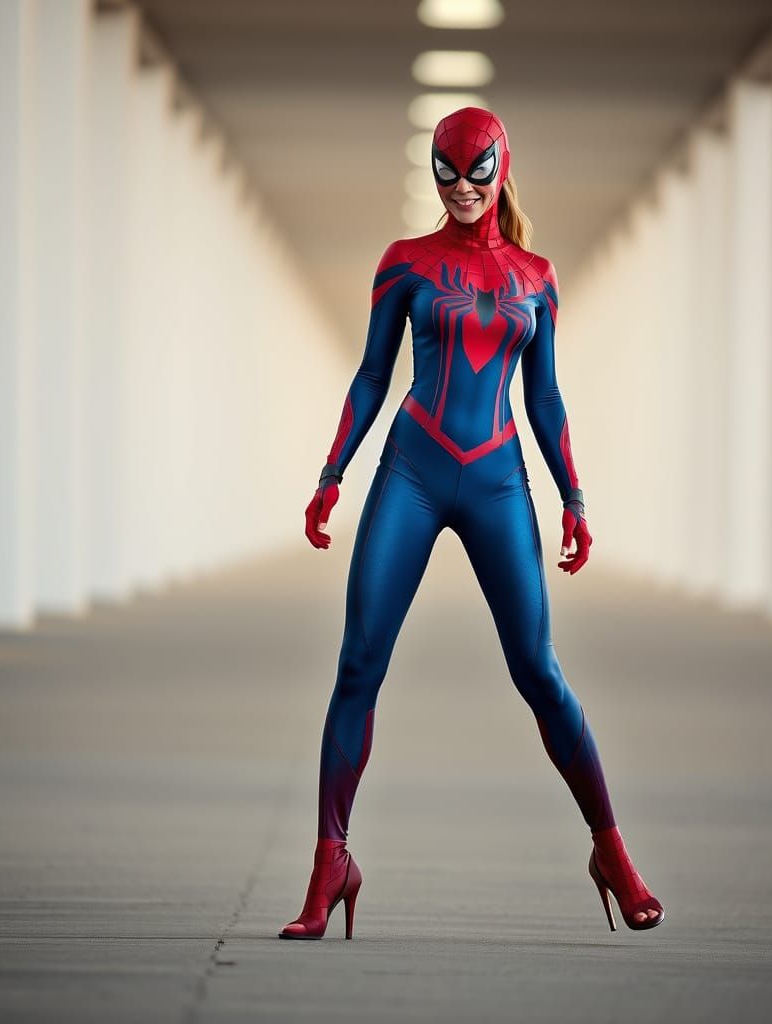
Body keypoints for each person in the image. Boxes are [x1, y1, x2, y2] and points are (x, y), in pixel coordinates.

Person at [279, 107, 664, 940]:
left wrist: (575, 497)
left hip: (496, 483)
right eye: (446, 173)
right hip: (412, 472)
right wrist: (331, 472)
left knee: (538, 671)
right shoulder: (405, 265)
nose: (461, 188)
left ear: (502, 167)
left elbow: (546, 398)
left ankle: (613, 854)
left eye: (476, 172)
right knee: (358, 666)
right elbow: (372, 375)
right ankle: (328, 865)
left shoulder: (537, 276)